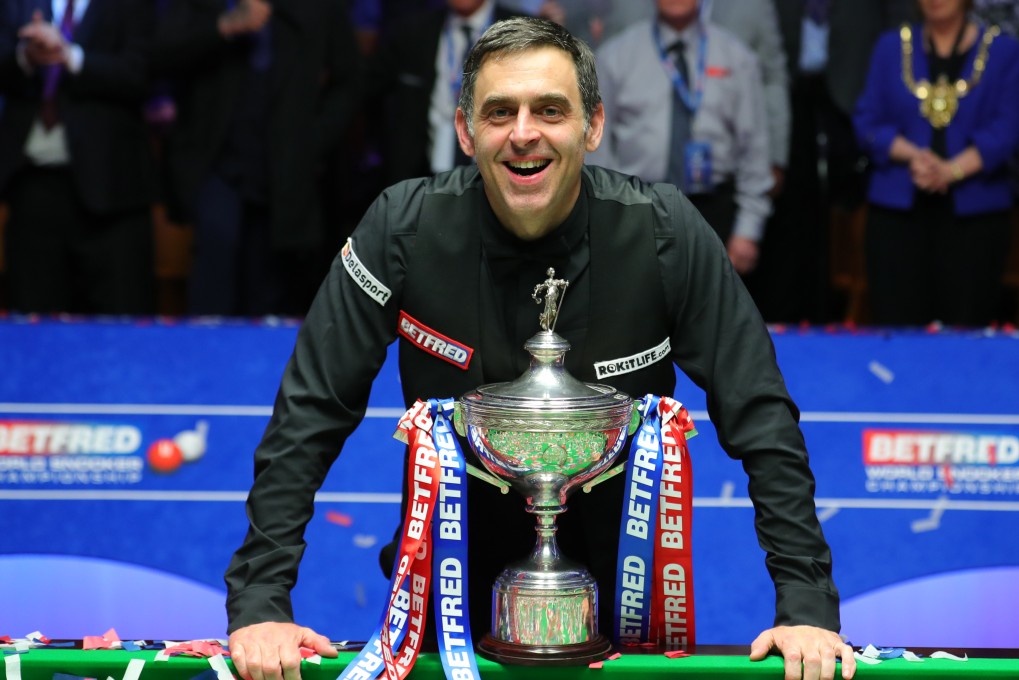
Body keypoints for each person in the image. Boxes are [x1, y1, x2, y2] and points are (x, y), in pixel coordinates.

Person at [224, 16, 855, 680]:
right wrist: (261, 601)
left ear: (594, 126)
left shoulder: (666, 232)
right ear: (466, 132)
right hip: (448, 608)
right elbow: (309, 415)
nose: (524, 133)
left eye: (550, 110)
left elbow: (761, 416)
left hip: (626, 606)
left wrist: (807, 606)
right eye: (500, 112)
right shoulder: (401, 229)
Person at [149, 0, 362, 317]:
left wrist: (311, 140)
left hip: (284, 176)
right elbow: (159, 55)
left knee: (267, 299)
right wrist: (224, 25)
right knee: (211, 294)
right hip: (215, 167)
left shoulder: (320, 7)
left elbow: (351, 81)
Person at [853, 0, 1019, 326]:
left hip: (974, 215)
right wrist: (916, 157)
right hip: (898, 211)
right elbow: (867, 122)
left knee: (967, 328)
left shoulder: (1003, 51)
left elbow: (1007, 129)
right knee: (896, 327)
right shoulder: (891, 46)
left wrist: (951, 170)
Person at [589, 0, 773, 276]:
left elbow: (754, 150)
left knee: (711, 315)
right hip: (636, 209)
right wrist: (608, 221)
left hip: (716, 211)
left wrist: (748, 230)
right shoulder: (615, 57)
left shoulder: (736, 57)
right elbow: (597, 146)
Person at [0, 0, 157, 315]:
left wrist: (69, 56)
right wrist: (26, 56)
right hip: (32, 184)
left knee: (119, 325)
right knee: (33, 327)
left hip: (113, 191)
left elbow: (144, 72)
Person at [367, 0, 523, 186]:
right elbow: (368, 90)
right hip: (424, 175)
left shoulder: (522, 30)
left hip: (502, 175)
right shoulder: (412, 30)